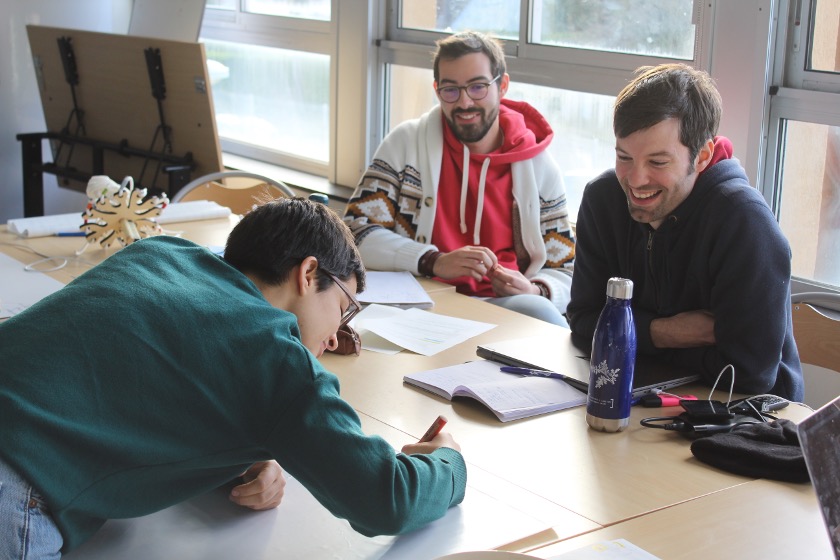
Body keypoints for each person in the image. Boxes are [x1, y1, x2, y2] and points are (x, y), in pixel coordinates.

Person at [0, 198, 466, 558]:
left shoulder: (161, 252)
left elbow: (147, 388)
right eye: (344, 308)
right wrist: (448, 465)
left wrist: (242, 454)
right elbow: (385, 498)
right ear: (308, 273)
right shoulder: (275, 358)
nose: (333, 337)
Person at [566, 63, 804, 401]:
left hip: (742, 416)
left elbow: (748, 373)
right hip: (639, 395)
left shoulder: (745, 222)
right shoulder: (602, 199)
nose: (635, 180)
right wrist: (667, 333)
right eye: (624, 157)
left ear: (702, 156)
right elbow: (582, 319)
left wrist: (625, 335)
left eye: (658, 163)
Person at [343, 30, 575, 325]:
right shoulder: (406, 144)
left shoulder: (539, 166)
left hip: (504, 306)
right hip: (422, 298)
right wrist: (432, 260)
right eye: (450, 90)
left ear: (502, 86)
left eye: (478, 87)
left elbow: (567, 271)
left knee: (542, 313)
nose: (465, 103)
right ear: (437, 89)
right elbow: (354, 234)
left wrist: (536, 288)